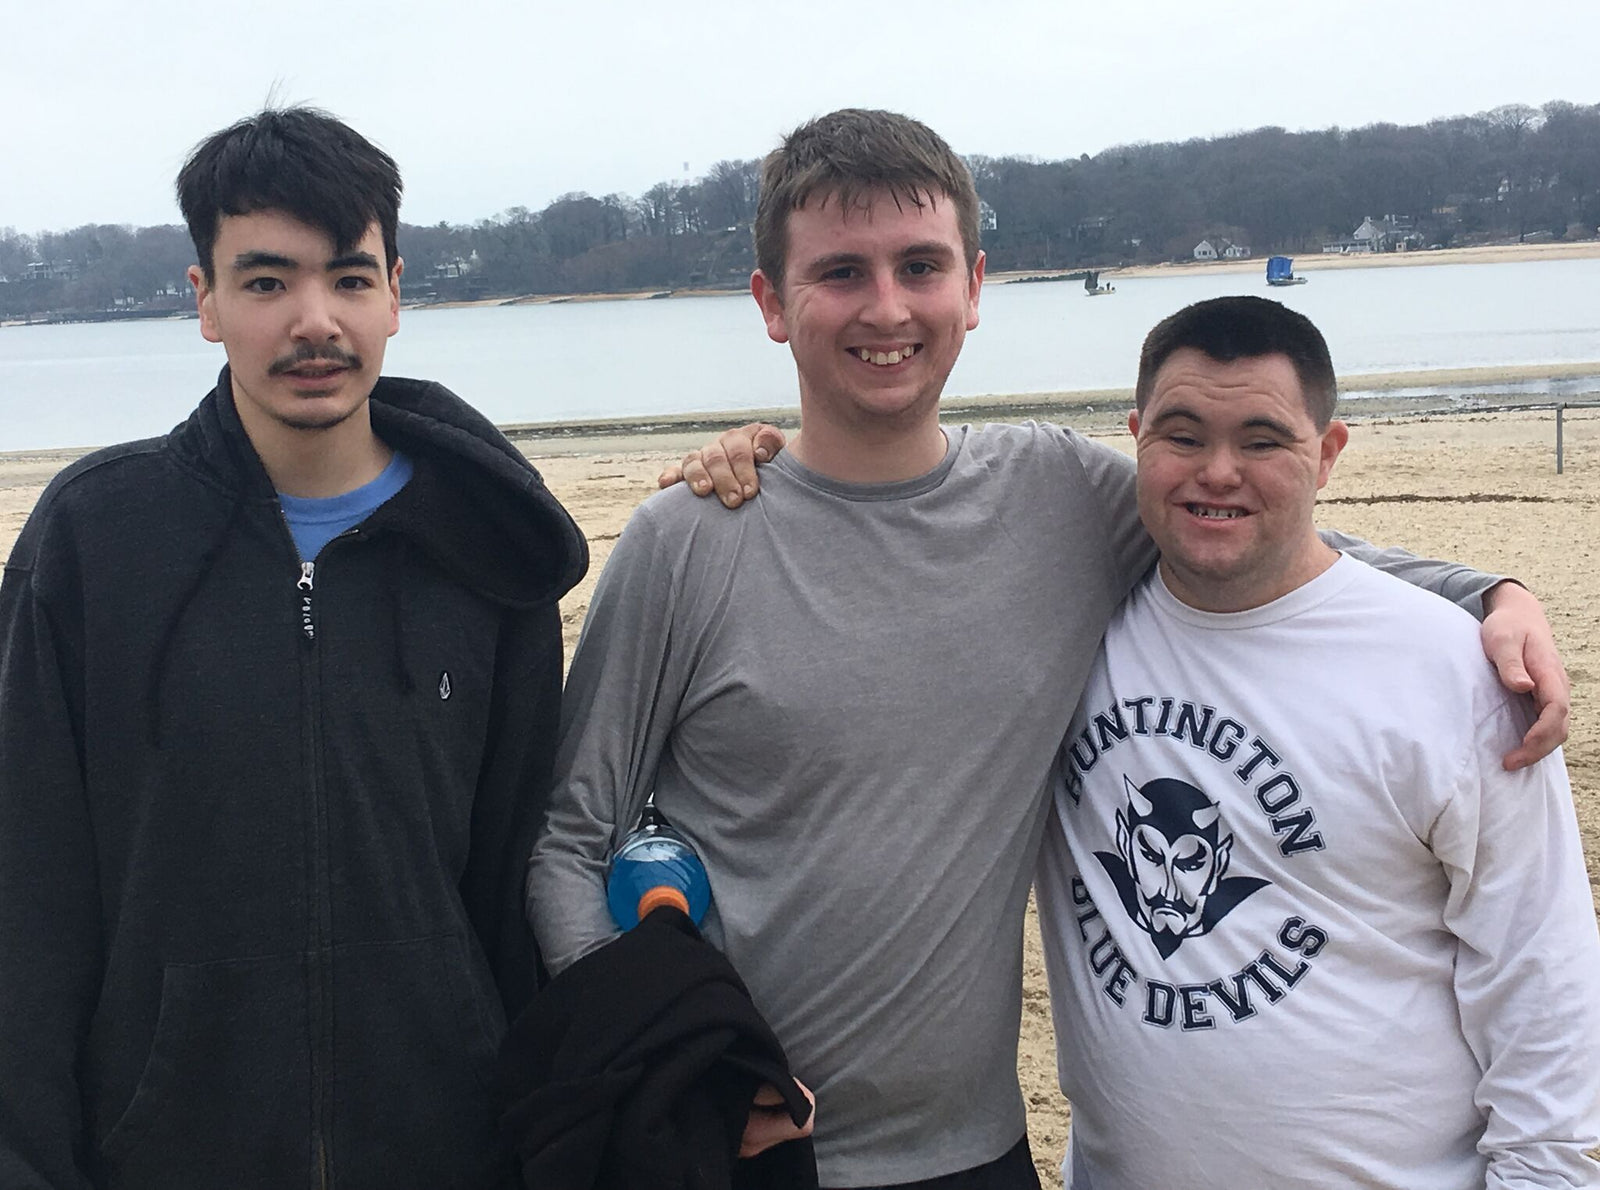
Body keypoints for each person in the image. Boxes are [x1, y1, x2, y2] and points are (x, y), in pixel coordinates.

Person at [529, 108, 1566, 1189]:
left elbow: (1252, 529)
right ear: (771, 303)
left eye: (919, 266)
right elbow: (568, 837)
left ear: (974, 287)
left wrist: (1488, 591)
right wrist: (661, 1051)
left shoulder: (1057, 497)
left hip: (981, 1152)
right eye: (840, 271)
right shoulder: (688, 540)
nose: (887, 307)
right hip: (734, 1150)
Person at [0, 108, 586, 1190]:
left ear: (395, 294)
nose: (315, 321)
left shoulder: (483, 546)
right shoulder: (96, 540)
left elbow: (516, 879)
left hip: (445, 1147)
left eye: (349, 279)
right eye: (266, 281)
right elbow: (27, 892)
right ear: (205, 300)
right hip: (161, 1154)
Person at [1032, 297, 1600, 1188]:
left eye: (1263, 441)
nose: (1218, 472)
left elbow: (1540, 979)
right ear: (1136, 438)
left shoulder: (1455, 671)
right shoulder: (1069, 630)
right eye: (1183, 436)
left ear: (1328, 453)